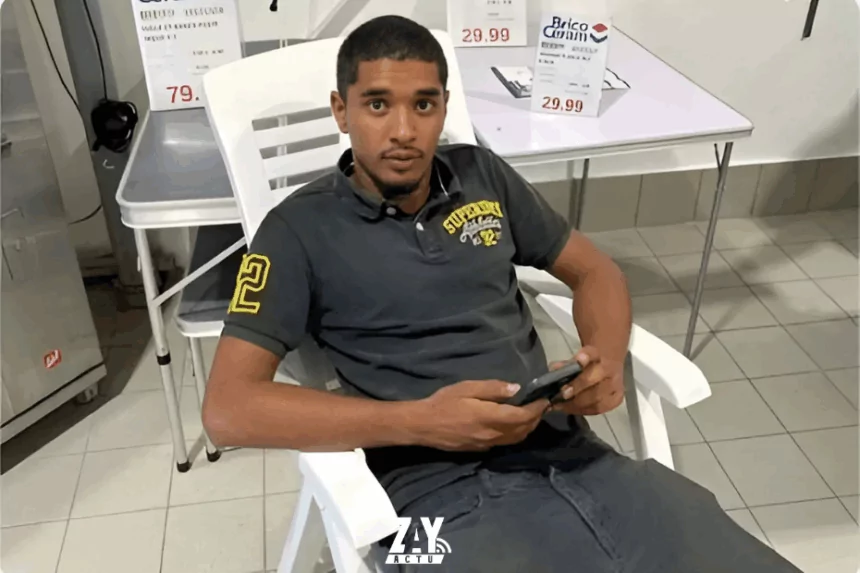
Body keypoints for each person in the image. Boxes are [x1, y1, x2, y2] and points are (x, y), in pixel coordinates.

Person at [202, 15, 800, 573]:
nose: (404, 131)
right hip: (420, 509)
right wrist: (422, 422)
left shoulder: (481, 175)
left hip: (579, 459)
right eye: (377, 104)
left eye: (423, 104)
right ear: (341, 110)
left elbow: (595, 271)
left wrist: (606, 357)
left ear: (444, 106)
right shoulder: (295, 231)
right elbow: (227, 410)